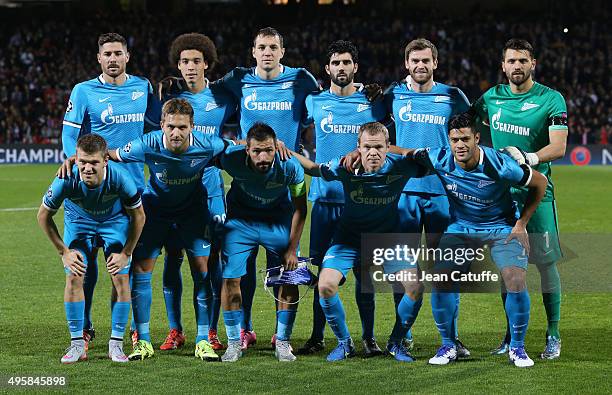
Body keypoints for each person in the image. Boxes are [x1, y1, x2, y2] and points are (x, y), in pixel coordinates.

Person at [406, 112, 547, 367]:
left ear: (477, 138)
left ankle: (517, 348)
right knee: (441, 278)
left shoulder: (501, 164)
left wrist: (521, 223)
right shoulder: (439, 157)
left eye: (465, 139)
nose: (459, 145)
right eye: (454, 139)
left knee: (515, 278)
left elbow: (540, 182)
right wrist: (365, 151)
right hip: (462, 228)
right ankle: (448, 345)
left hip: (501, 226)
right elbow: (404, 151)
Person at [215, 27, 319, 349]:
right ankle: (243, 329)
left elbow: (319, 104)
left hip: (283, 182)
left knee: (284, 268)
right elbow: (206, 93)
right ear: (253, 51)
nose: (267, 52)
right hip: (247, 182)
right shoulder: (239, 80)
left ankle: (280, 335)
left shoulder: (301, 80)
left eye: (273, 46)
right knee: (240, 269)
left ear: (282, 51)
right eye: (262, 47)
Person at [292, 122, 427, 362]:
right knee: (325, 285)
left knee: (416, 287)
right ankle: (345, 343)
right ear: (358, 148)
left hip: (388, 240)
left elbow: (437, 164)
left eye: (378, 147)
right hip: (348, 240)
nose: (373, 153)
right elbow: (313, 168)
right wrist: (284, 149)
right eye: (367, 147)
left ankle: (396, 342)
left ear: (388, 147)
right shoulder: (345, 167)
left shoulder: (402, 167)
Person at [111, 98, 233, 361]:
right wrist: (78, 158)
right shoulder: (146, 143)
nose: (176, 133)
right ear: (162, 125)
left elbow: (240, 149)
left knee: (201, 272)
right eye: (171, 127)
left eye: (182, 127)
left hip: (193, 212)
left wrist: (273, 146)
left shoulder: (208, 143)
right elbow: (112, 155)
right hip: (155, 212)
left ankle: (203, 340)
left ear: (192, 126)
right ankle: (142, 341)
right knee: (142, 272)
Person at [473, 38, 568, 359]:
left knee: (545, 263)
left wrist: (527, 157)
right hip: (501, 199)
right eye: (511, 61)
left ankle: (553, 333)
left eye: (522, 61)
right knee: (508, 268)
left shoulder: (551, 99)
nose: (517, 66)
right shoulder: (491, 98)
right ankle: (511, 334)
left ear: (533, 64)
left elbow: (558, 147)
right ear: (503, 66)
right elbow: (464, 124)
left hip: (537, 194)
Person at [61, 32, 157, 349]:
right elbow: (69, 134)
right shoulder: (83, 91)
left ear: (127, 56)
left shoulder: (143, 87)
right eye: (107, 54)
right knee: (84, 269)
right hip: (92, 194)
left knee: (122, 267)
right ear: (99, 58)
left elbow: (156, 133)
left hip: (132, 193)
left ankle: (122, 330)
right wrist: (73, 162)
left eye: (118, 53)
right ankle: (85, 328)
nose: (113, 59)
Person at [298, 40, 388, 357]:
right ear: (328, 69)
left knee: (366, 273)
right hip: (324, 200)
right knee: (322, 270)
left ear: (355, 67)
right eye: (336, 63)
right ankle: (317, 336)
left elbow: (389, 136)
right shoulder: (314, 102)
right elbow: (292, 125)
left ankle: (369, 338)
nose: (341, 68)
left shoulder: (371, 102)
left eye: (346, 62)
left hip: (361, 202)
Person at [384, 38, 471, 354]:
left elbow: (469, 136)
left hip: (444, 195)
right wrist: (403, 151)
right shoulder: (392, 95)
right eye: (414, 60)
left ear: (435, 63)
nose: (420, 65)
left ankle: (451, 337)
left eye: (426, 60)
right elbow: (372, 134)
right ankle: (401, 334)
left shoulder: (451, 96)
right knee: (403, 270)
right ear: (407, 64)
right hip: (405, 195)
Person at [155, 33, 237, 352]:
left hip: (209, 189)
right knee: (172, 259)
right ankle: (176, 330)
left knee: (208, 262)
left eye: (196, 61)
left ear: (207, 64)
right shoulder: (166, 96)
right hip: (172, 191)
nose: (190, 67)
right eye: (185, 61)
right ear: (178, 64)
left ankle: (211, 330)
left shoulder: (223, 97)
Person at [38, 134, 145, 364]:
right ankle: (77, 344)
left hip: (114, 223)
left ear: (105, 160)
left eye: (93, 162)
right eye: (83, 161)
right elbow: (43, 216)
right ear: (76, 158)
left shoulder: (120, 178)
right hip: (78, 223)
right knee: (74, 276)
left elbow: (139, 216)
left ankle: (116, 345)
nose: (87, 168)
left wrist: (126, 253)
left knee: (121, 276)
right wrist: (63, 252)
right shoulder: (66, 178)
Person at [217, 122, 307, 362]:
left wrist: (291, 249)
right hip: (241, 223)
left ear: (277, 148)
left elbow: (300, 209)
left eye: (268, 149)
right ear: (247, 150)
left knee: (289, 278)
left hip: (277, 222)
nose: (263, 156)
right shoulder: (230, 158)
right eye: (257, 151)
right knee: (230, 279)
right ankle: (234, 342)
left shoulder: (290, 167)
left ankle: (283, 342)